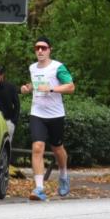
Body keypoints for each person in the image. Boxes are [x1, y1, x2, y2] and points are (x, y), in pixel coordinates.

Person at [20, 36, 75, 200]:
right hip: (37, 113)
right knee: (37, 147)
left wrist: (51, 89)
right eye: (37, 48)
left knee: (57, 148)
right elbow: (35, 84)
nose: (40, 51)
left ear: (49, 50)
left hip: (55, 114)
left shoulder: (57, 67)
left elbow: (71, 87)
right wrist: (27, 88)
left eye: (43, 48)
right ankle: (39, 188)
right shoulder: (32, 68)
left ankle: (63, 175)